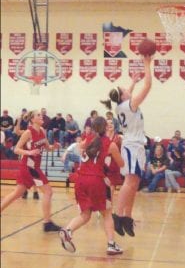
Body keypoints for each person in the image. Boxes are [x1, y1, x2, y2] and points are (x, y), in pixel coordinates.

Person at [100, 55, 153, 237]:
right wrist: (147, 64)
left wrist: (132, 82)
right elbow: (148, 87)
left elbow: (125, 93)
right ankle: (117, 215)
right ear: (124, 96)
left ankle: (127, 217)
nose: (128, 89)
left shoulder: (120, 106)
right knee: (130, 181)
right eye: (125, 89)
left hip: (135, 146)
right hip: (132, 146)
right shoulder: (129, 105)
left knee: (135, 182)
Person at [59, 117, 124, 255]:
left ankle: (67, 230)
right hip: (96, 181)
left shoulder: (87, 140)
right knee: (107, 213)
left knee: (85, 214)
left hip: (80, 180)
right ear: (106, 127)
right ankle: (111, 244)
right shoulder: (110, 144)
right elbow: (121, 164)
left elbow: (79, 146)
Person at [1, 110, 61, 232]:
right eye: (38, 115)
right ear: (32, 119)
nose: (41, 116)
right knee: (48, 192)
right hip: (29, 166)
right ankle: (47, 223)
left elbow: (47, 148)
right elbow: (16, 149)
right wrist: (29, 152)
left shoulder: (43, 131)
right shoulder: (28, 132)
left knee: (17, 193)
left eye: (41, 114)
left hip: (35, 166)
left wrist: (53, 147)